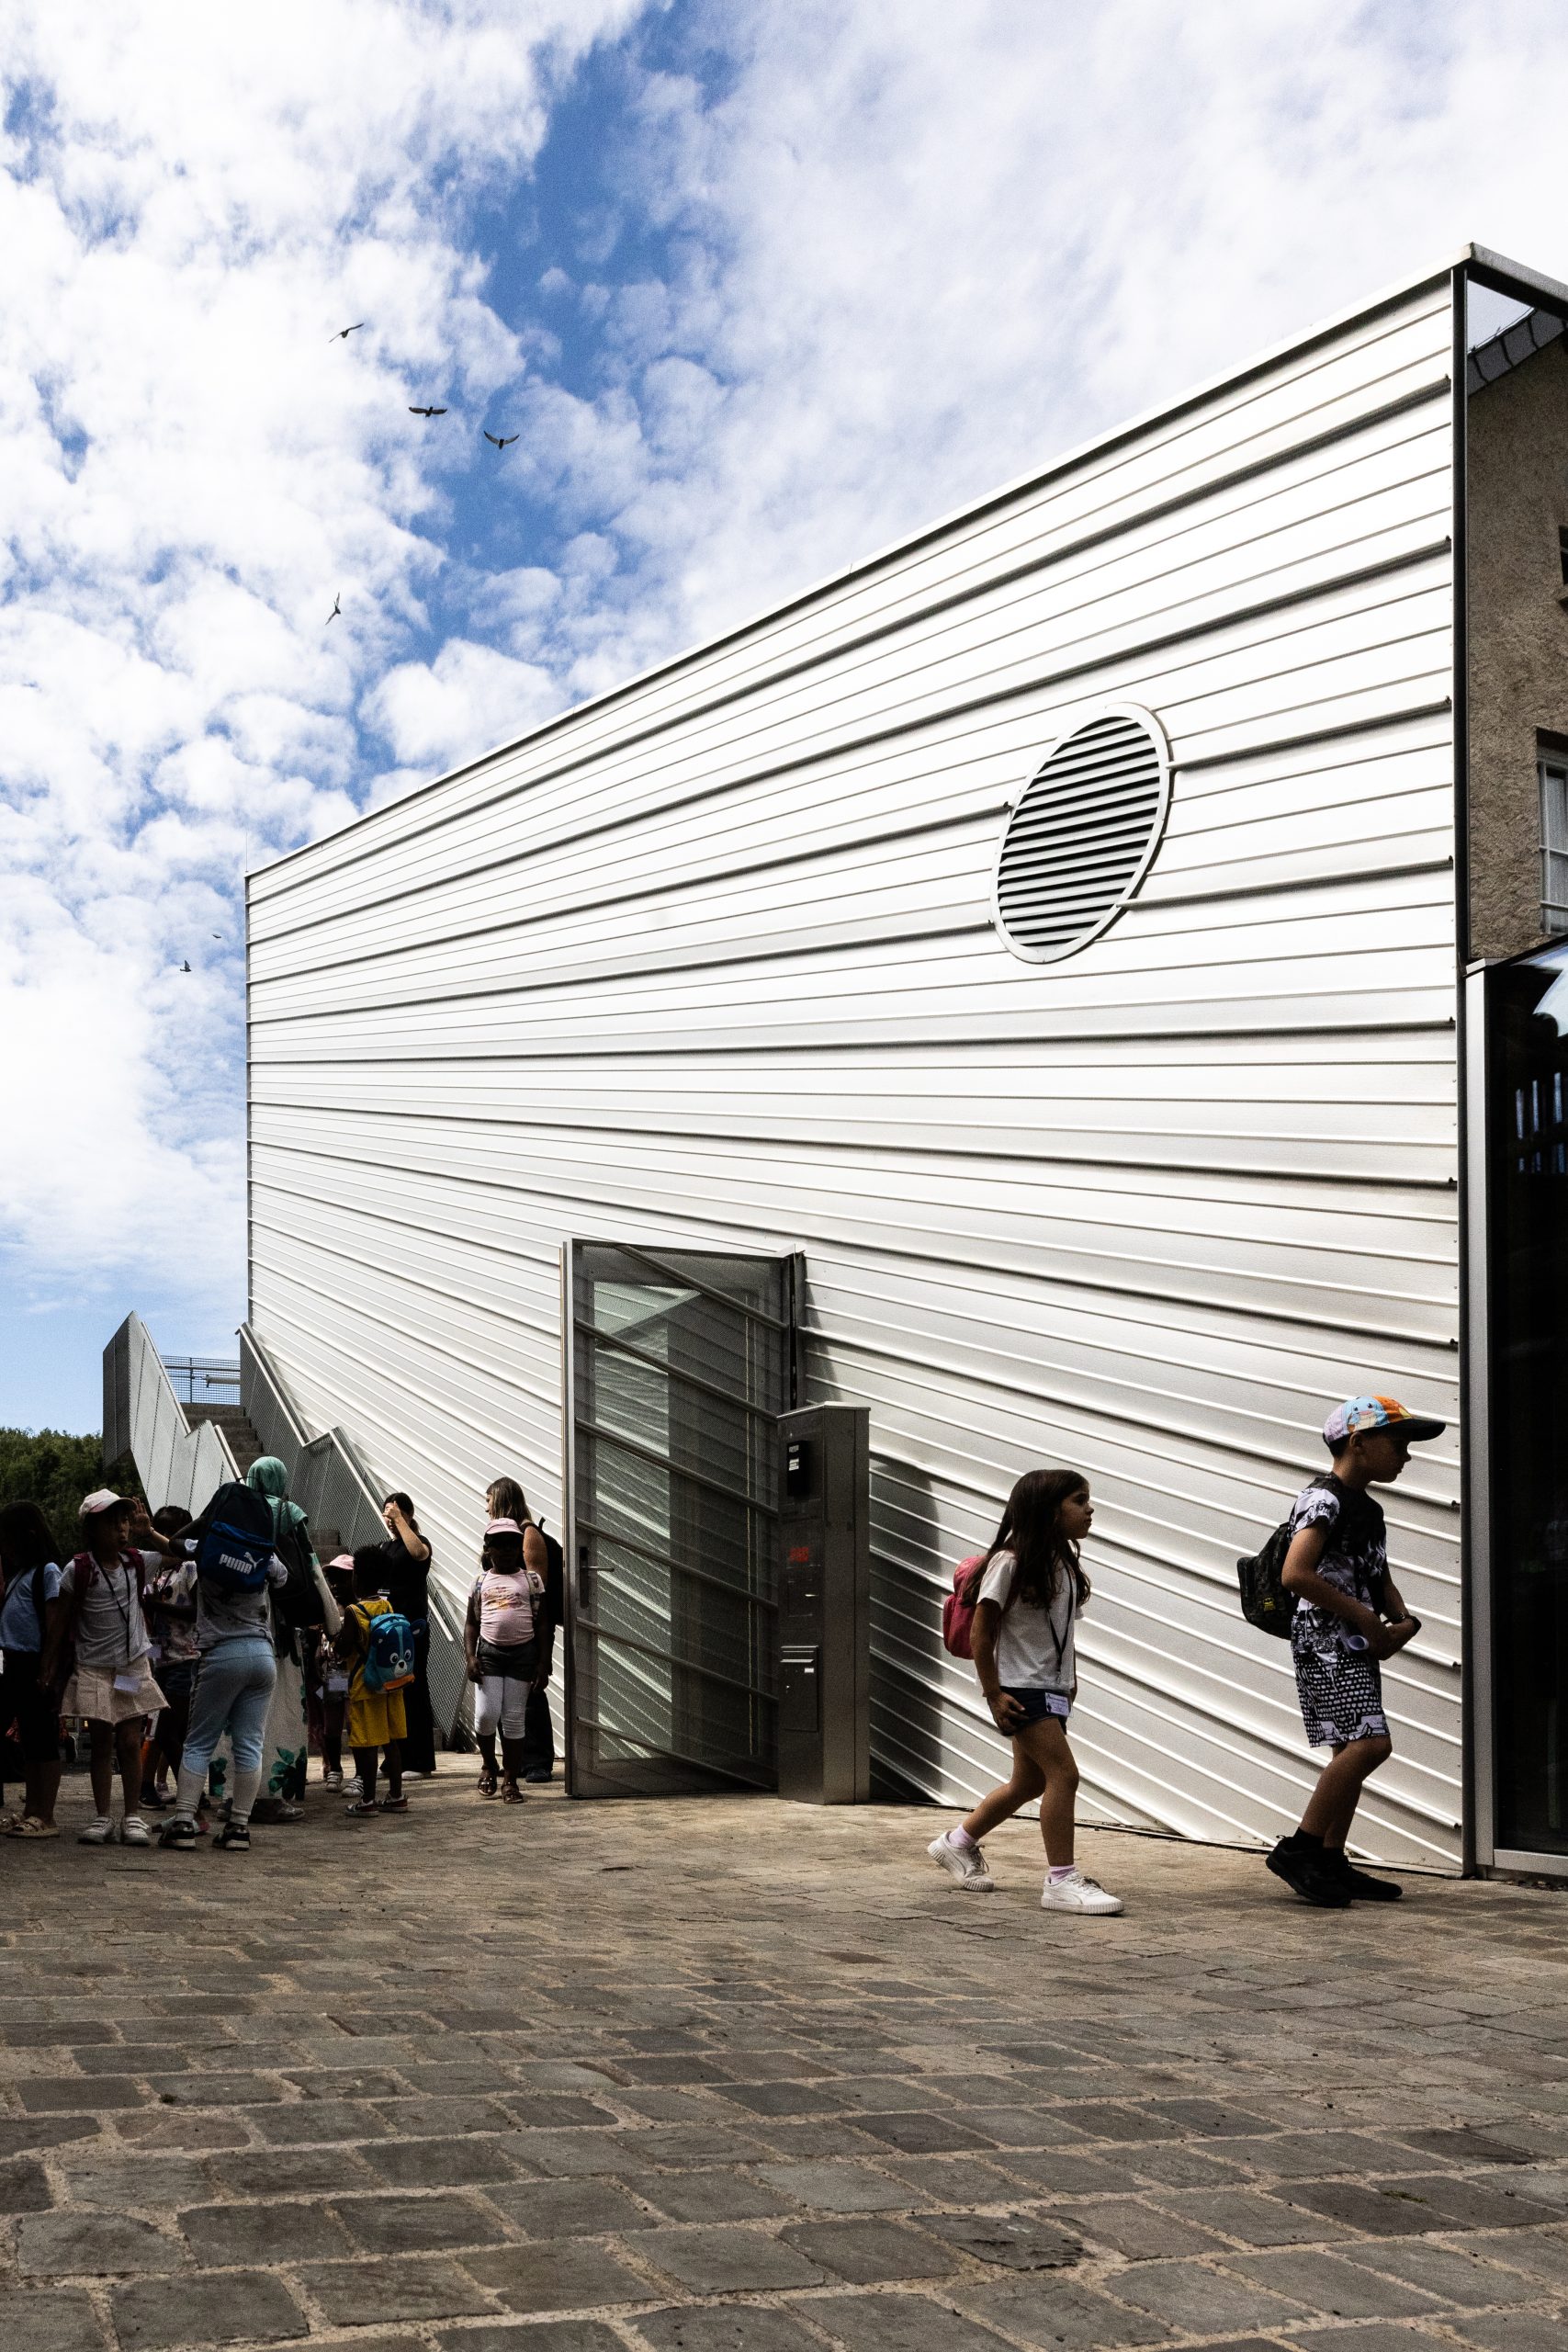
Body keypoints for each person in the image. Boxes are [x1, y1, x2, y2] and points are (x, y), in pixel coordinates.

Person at [1266, 1395, 1438, 1908]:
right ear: (1358, 1443)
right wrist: (1364, 1618)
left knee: (1349, 1748)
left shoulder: (1369, 1508)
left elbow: (1378, 1574)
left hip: (1351, 1639)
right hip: (1324, 1639)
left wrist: (1402, 1619)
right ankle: (1299, 1850)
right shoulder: (1322, 1499)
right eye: (1398, 1444)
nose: (1406, 1455)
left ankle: (1329, 1858)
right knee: (1371, 1744)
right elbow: (1295, 1574)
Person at [928, 1467, 1122, 1915]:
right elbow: (981, 1632)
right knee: (1064, 1776)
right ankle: (1061, 1881)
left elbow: (1063, 1635)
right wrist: (993, 1694)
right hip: (1019, 1688)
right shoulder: (1008, 1562)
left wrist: (1069, 1682)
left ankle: (957, 1842)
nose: (1090, 1509)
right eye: (1079, 1501)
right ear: (1048, 1510)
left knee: (1029, 1782)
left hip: (1050, 1689)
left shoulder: (1063, 1566)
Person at [155, 1494, 290, 1855]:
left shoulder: (205, 1546)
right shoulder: (265, 1555)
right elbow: (284, 1579)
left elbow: (174, 1544)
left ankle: (184, 1822)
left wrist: (203, 1521)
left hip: (220, 1654)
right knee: (249, 1744)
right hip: (261, 1655)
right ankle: (238, 1828)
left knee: (198, 1741)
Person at [40, 1491, 173, 1848]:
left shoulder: (137, 1561)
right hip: (93, 1669)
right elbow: (60, 1621)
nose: (122, 1529)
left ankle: (132, 1816)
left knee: (129, 1741)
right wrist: (48, 1665)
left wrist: (150, 1532)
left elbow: (181, 1554)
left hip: (130, 1667)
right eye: (112, 1523)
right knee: (100, 1742)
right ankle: (102, 1816)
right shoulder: (78, 1570)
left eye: (125, 1522)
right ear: (91, 1529)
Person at [240, 1459, 313, 1819]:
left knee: (239, 1714)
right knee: (279, 1710)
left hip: (237, 1625)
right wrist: (329, 1618)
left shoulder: (236, 1511)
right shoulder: (288, 1512)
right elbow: (309, 1565)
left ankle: (235, 1796)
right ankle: (269, 1795)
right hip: (279, 1627)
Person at [464, 1517, 548, 1801]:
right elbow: (471, 1623)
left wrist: (543, 1662)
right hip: (489, 1654)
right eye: (498, 1545)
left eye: (512, 1544)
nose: (506, 1550)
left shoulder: (530, 1581)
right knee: (486, 1715)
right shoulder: (480, 1582)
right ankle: (489, 1764)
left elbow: (542, 1624)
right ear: (488, 1549)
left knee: (514, 1719)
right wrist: (470, 1657)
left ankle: (510, 1780)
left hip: (522, 1656)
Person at [486, 1476, 562, 1782]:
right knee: (508, 1698)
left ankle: (538, 1761)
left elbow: (536, 1590)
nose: (486, 1508)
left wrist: (535, 1643)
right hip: (506, 1633)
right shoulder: (506, 1536)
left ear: (502, 1500)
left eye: (489, 1500)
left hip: (528, 1631)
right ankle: (516, 1761)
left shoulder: (529, 1535)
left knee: (531, 1694)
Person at [0, 1501, 65, 1838]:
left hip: (35, 1664)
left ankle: (46, 1815)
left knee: (43, 1741)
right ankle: (31, 1809)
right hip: (14, 1664)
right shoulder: (21, 1574)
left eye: (8, 1539)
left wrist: (47, 1666)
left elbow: (55, 1623)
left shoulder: (47, 1571)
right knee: (29, 1740)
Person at [338, 1545, 408, 1815]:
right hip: (390, 1684)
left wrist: (335, 1638)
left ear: (356, 1577)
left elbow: (344, 1648)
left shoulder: (354, 1611)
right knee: (391, 1742)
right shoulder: (386, 1605)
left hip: (364, 1685)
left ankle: (367, 1800)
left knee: (365, 1743)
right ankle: (396, 1795)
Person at [143, 1504, 201, 1815]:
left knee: (169, 1731)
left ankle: (190, 1798)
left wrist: (158, 1607)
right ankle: (185, 1795)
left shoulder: (189, 1568)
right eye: (161, 1530)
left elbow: (197, 1612)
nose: (165, 1538)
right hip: (159, 1661)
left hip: (185, 1658)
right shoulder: (155, 1570)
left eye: (172, 1532)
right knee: (165, 1730)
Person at [378, 1492, 435, 1777]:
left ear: (408, 1514)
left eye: (396, 1514)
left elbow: (419, 1555)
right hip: (387, 1629)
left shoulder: (419, 1543)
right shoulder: (385, 1547)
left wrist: (401, 1521)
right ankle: (395, 1759)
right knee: (390, 1693)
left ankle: (419, 1760)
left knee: (414, 1689)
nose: (390, 1520)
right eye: (387, 1515)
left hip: (411, 1629)